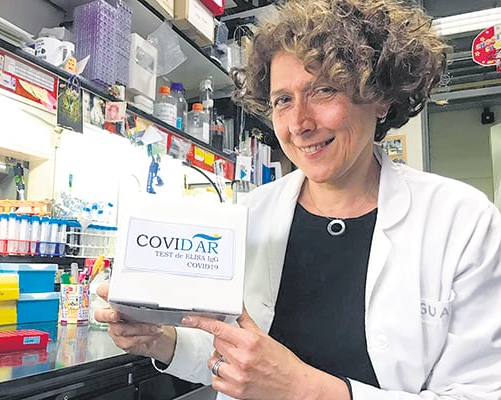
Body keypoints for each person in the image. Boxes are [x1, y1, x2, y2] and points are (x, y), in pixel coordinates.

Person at [95, 0, 501, 399]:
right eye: (283, 100)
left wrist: (304, 389)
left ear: (380, 97)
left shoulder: (461, 221)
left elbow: (479, 392)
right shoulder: (251, 214)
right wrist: (162, 340)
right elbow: (237, 358)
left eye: (323, 91)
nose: (299, 124)